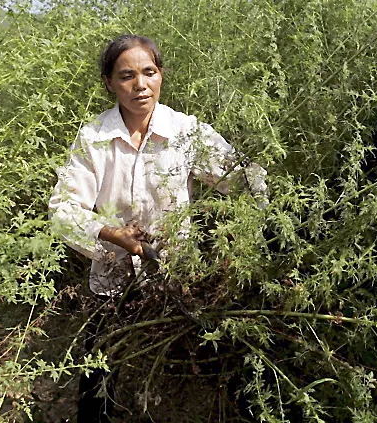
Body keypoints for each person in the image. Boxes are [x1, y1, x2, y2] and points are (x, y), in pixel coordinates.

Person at [48, 34, 266, 421]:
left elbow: (245, 180)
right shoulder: (94, 138)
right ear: (109, 83)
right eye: (126, 75)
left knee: (216, 362)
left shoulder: (186, 132)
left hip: (178, 277)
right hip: (113, 279)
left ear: (161, 75)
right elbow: (63, 210)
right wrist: (113, 235)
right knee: (97, 376)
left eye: (149, 72)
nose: (140, 85)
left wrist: (247, 228)